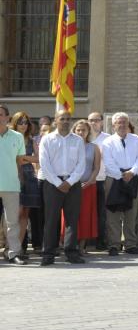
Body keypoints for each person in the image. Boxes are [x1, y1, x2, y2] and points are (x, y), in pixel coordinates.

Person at [38, 110, 86, 265]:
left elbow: (81, 164)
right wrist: (58, 183)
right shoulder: (47, 140)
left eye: (68, 119)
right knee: (51, 220)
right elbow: (44, 164)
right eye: (62, 118)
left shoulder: (78, 140)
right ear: (55, 121)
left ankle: (71, 252)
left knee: (72, 219)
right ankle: (48, 254)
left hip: (73, 184)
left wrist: (69, 182)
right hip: (52, 184)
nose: (65, 121)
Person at [100, 112, 138, 256]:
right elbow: (108, 161)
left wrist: (132, 172)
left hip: (132, 178)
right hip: (114, 178)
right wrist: (121, 175)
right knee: (113, 213)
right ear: (113, 125)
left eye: (125, 122)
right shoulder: (108, 141)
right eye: (119, 122)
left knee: (131, 213)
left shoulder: (136, 139)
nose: (122, 125)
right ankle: (114, 245)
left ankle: (130, 244)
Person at [0, 104, 28, 265]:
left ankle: (13, 253)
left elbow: (19, 161)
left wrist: (20, 180)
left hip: (11, 185)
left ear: (7, 118)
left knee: (12, 222)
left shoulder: (17, 136)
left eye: (0, 114)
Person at [69, 119, 101, 254]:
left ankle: (82, 245)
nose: (81, 132)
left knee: (86, 216)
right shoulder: (69, 146)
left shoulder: (94, 147)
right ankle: (70, 244)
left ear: (88, 132)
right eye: (78, 130)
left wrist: (89, 181)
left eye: (84, 130)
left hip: (88, 186)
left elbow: (96, 167)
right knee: (71, 216)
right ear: (74, 131)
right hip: (71, 186)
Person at [11, 112, 40, 253]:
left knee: (24, 214)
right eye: (20, 122)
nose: (23, 125)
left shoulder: (31, 140)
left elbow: (39, 158)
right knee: (13, 214)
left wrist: (24, 158)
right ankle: (9, 246)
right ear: (15, 123)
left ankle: (18, 249)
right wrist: (24, 159)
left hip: (29, 178)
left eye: (26, 122)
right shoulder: (9, 138)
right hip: (12, 177)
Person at [87, 112, 111, 250]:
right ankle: (87, 241)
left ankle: (101, 241)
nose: (93, 123)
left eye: (96, 120)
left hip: (102, 179)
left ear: (102, 122)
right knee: (87, 211)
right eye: (91, 120)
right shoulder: (83, 137)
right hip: (85, 181)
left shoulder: (108, 139)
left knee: (102, 212)